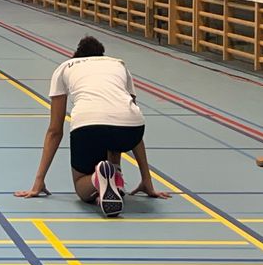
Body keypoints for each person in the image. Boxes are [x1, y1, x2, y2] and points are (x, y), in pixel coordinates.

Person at [15, 36, 171, 216]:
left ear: (76, 55)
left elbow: (55, 131)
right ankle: (115, 180)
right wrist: (146, 179)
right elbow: (129, 113)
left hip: (88, 124)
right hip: (132, 128)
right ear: (101, 55)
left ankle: (99, 178)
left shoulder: (65, 67)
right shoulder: (118, 64)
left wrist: (39, 181)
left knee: (82, 185)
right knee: (117, 129)